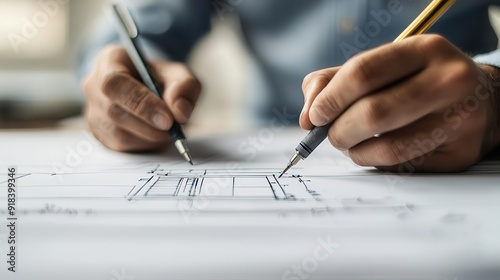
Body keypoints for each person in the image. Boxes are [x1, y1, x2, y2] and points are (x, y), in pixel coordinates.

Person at [79, 0, 500, 172]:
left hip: (467, 144)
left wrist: (492, 92)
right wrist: (119, 75)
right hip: (260, 138)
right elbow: (141, 28)